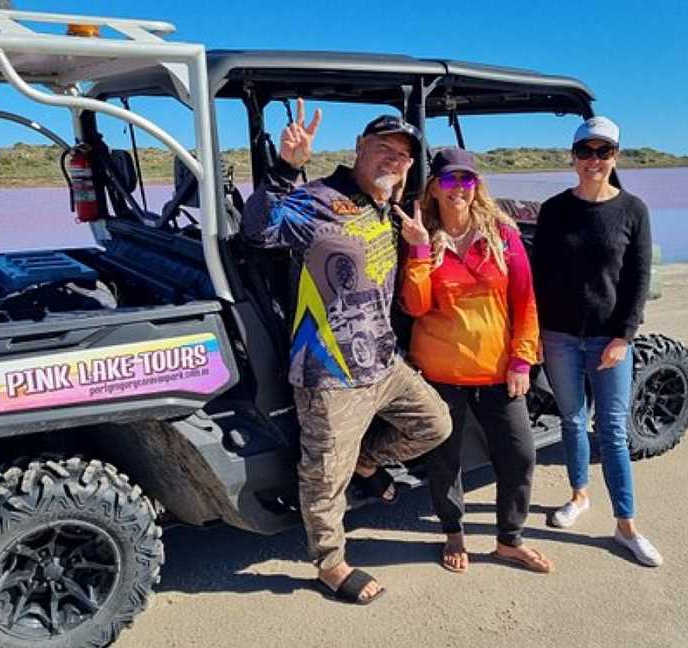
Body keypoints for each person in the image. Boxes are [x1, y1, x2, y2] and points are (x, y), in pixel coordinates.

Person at [241, 100, 451, 603]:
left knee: (436, 423)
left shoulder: (389, 207)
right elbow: (257, 230)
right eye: (384, 149)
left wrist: (430, 245)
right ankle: (330, 563)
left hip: (384, 362)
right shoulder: (316, 199)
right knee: (323, 474)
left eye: (402, 156)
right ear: (359, 148)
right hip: (329, 370)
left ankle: (368, 460)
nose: (393, 161)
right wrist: (286, 166)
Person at [397, 147, 553, 574]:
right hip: (440, 374)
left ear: (477, 186)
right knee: (445, 460)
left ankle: (509, 541)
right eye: (449, 180)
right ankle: (453, 533)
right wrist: (419, 251)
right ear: (434, 188)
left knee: (519, 454)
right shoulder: (422, 236)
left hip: (497, 371)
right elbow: (414, 306)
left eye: (466, 180)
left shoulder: (502, 236)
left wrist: (522, 361)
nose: (458, 189)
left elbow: (525, 301)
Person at [532, 116, 662, 566]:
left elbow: (638, 279)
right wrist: (534, 331)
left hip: (609, 338)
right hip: (560, 336)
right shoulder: (554, 210)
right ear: (573, 157)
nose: (593, 160)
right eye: (585, 152)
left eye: (603, 152)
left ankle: (626, 525)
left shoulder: (633, 210)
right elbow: (539, 275)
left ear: (615, 157)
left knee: (611, 430)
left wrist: (624, 336)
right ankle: (578, 496)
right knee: (570, 419)